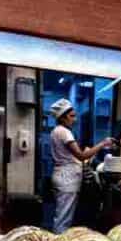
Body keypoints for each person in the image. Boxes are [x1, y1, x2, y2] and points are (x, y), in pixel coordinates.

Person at [49, 99, 114, 233]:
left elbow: (72, 155)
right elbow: (81, 156)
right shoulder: (64, 132)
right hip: (67, 178)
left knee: (62, 216)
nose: (75, 119)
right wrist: (103, 144)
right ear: (62, 117)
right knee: (63, 219)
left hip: (63, 176)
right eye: (72, 116)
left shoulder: (57, 131)